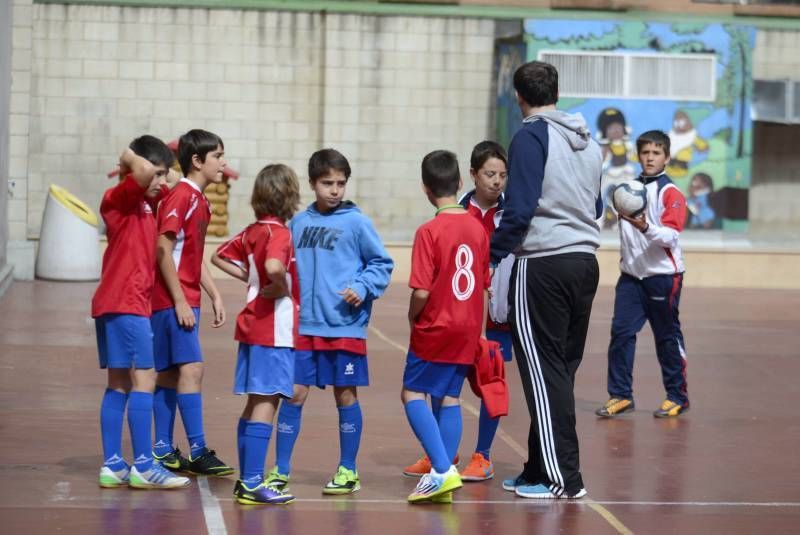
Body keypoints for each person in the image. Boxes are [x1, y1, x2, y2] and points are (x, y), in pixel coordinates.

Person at [490, 60, 603, 500]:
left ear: (519, 96)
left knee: (543, 371)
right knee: (557, 371)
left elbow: (519, 208)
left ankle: (562, 478)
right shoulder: (588, 142)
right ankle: (538, 469)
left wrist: (491, 255)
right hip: (584, 262)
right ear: (555, 91)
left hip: (543, 263)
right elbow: (594, 206)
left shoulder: (530, 135)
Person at [265, 148, 394, 495]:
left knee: (345, 396)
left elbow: (381, 264)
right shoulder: (299, 224)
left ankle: (348, 469)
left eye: (340, 183)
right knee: (292, 394)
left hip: (344, 327)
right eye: (327, 183)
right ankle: (280, 470)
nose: (335, 190)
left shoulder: (356, 222)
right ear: (312, 183)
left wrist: (363, 287)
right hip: (303, 327)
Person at [402, 140, 511, 482]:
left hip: (437, 323)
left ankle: (442, 466)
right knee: (450, 396)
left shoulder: (429, 231)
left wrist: (412, 314)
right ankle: (444, 465)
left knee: (412, 392)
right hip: (469, 325)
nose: (496, 180)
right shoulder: (477, 228)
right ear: (463, 182)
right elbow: (481, 283)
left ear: (424, 187)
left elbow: (421, 289)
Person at [92, 136, 190, 489]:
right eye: (157, 174)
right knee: (145, 379)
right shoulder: (119, 198)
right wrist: (128, 159)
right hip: (126, 304)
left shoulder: (148, 201)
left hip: (118, 305)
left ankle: (114, 465)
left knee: (118, 383)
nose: (161, 182)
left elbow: (177, 179)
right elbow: (146, 170)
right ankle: (145, 465)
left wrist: (162, 167)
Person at [212, 164, 301, 505]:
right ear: (289, 197)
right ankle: (252, 481)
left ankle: (246, 479)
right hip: (274, 330)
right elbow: (274, 267)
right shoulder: (280, 234)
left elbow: (218, 256)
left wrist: (250, 280)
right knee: (268, 399)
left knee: (254, 400)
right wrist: (275, 285)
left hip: (251, 327)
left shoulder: (252, 230)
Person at [150, 129, 232, 476]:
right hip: (170, 300)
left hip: (186, 298)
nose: (223, 163)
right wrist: (181, 300)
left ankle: (162, 449)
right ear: (197, 161)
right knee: (192, 369)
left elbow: (192, 254)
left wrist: (213, 293)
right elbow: (163, 250)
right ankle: (198, 450)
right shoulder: (180, 197)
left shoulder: (202, 201)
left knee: (170, 374)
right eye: (217, 156)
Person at [596, 130, 689, 419]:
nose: (650, 158)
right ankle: (621, 395)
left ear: (667, 157)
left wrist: (645, 226)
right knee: (621, 334)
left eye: (656, 153)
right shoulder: (626, 189)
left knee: (666, 336)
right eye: (646, 152)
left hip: (663, 277)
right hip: (631, 278)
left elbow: (671, 237)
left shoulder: (670, 193)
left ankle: (677, 395)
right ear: (639, 155)